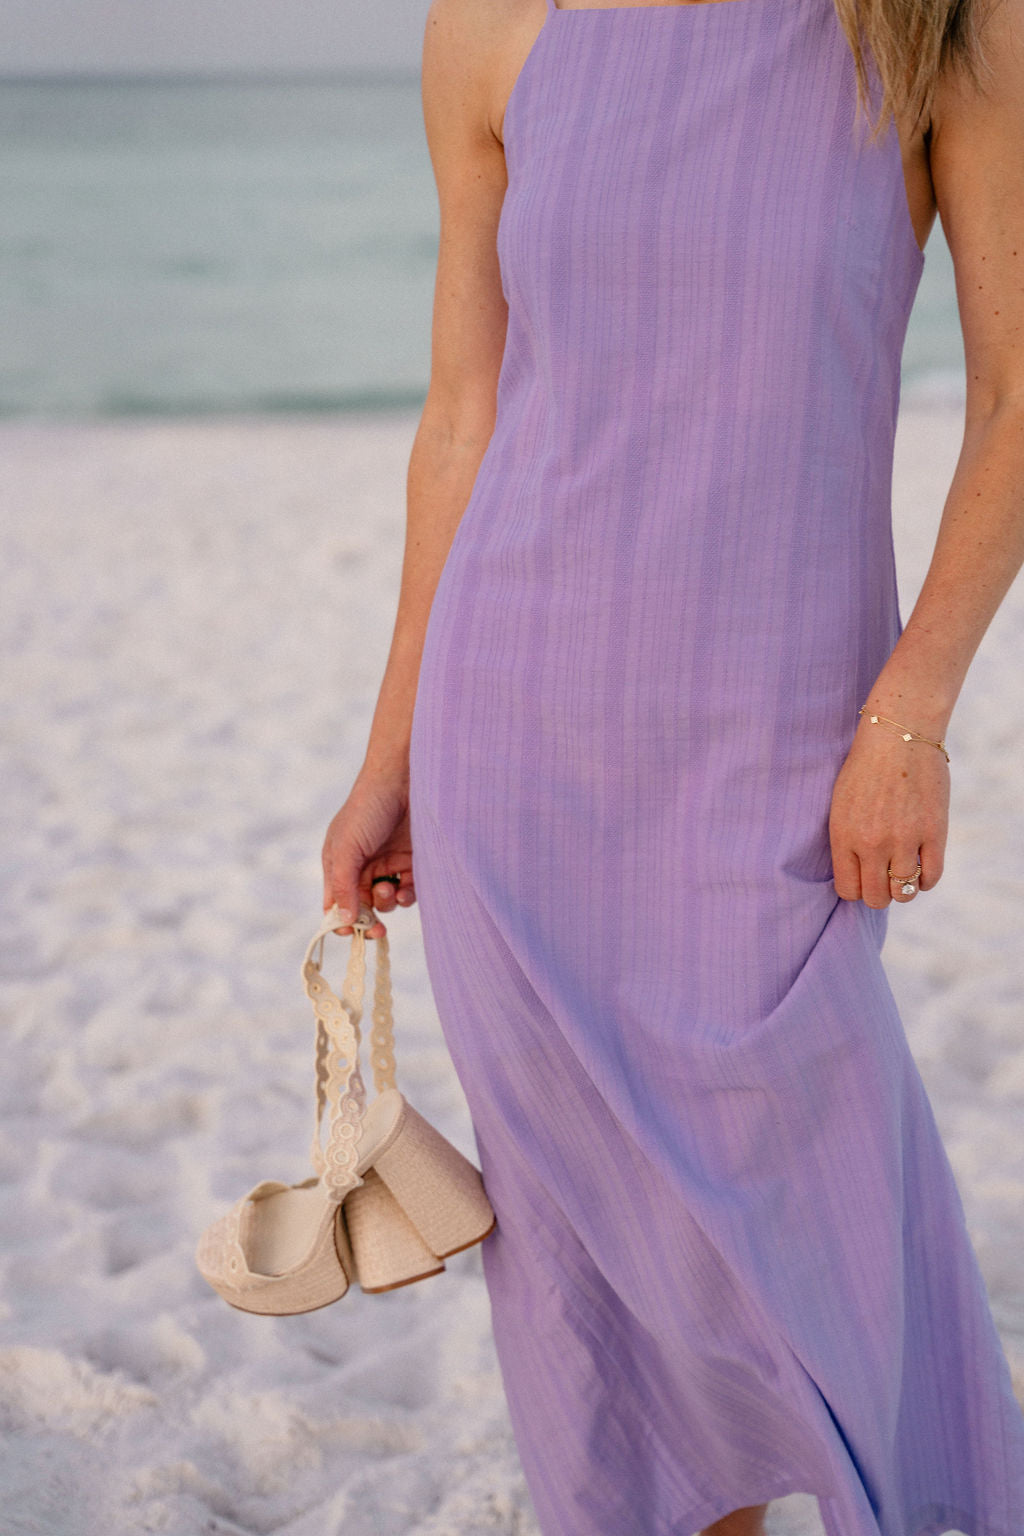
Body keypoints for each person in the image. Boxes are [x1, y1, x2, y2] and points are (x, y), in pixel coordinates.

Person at [321, 0, 1024, 1527]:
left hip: (785, 753)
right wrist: (393, 749)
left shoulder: (935, 24)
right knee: (601, 1282)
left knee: (808, 1234)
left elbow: (1013, 399)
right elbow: (465, 414)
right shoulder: (493, 25)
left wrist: (911, 714)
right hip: (514, 744)